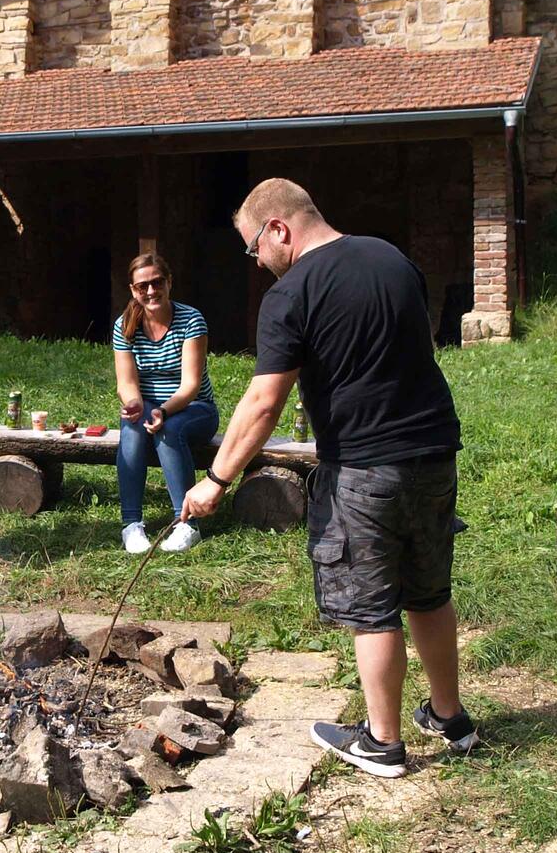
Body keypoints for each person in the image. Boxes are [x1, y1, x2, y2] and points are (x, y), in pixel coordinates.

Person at [182, 178, 477, 775]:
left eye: (253, 249)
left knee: (371, 605)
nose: (258, 263)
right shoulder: (392, 259)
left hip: (365, 466)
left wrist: (215, 479)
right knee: (428, 590)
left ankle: (383, 742)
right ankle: (450, 717)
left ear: (279, 230)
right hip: (434, 450)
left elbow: (264, 402)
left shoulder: (292, 294)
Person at [112, 250, 217, 553]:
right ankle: (131, 524)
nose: (150, 291)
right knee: (131, 428)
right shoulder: (124, 326)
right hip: (148, 406)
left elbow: (191, 385)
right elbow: (127, 382)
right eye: (142, 286)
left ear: (169, 282)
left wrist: (163, 410)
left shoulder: (190, 319)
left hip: (194, 408)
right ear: (133, 290)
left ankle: (186, 524)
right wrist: (133, 404)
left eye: (157, 282)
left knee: (169, 430)